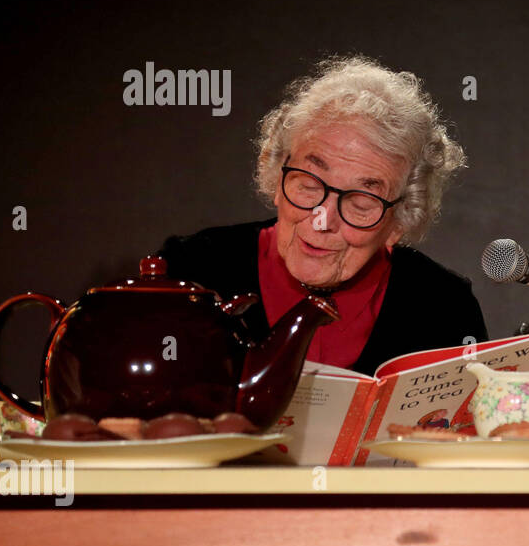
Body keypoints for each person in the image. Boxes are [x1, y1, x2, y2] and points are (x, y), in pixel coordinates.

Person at [159, 56, 488, 376]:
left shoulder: (445, 307)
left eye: (361, 203)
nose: (323, 220)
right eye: (309, 185)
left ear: (399, 221)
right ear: (277, 176)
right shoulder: (191, 272)